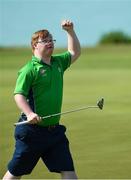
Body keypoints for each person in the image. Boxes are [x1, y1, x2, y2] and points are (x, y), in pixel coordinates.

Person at [3, 19, 81, 180]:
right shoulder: (29, 69)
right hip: (32, 133)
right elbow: (19, 95)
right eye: (44, 40)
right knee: (15, 173)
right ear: (34, 46)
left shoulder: (58, 62)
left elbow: (75, 53)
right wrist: (29, 113)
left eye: (51, 39)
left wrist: (70, 31)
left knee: (68, 171)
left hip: (55, 132)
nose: (49, 42)